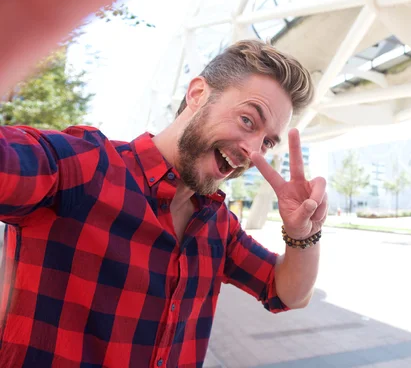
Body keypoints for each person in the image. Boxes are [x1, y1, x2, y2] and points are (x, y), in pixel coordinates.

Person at [0, 40, 328, 367]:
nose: (252, 151)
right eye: (247, 120)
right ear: (198, 94)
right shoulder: (84, 166)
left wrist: (303, 234)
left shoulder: (218, 223)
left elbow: (287, 292)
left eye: (268, 142)